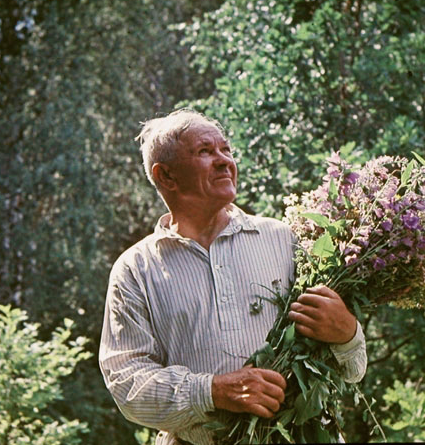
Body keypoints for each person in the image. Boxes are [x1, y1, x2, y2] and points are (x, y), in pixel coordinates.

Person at [99, 109, 367, 445]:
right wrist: (213, 392)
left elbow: (354, 369)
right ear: (166, 175)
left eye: (226, 150)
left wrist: (347, 334)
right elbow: (127, 384)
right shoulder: (136, 270)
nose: (225, 161)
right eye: (205, 151)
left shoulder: (285, 240)